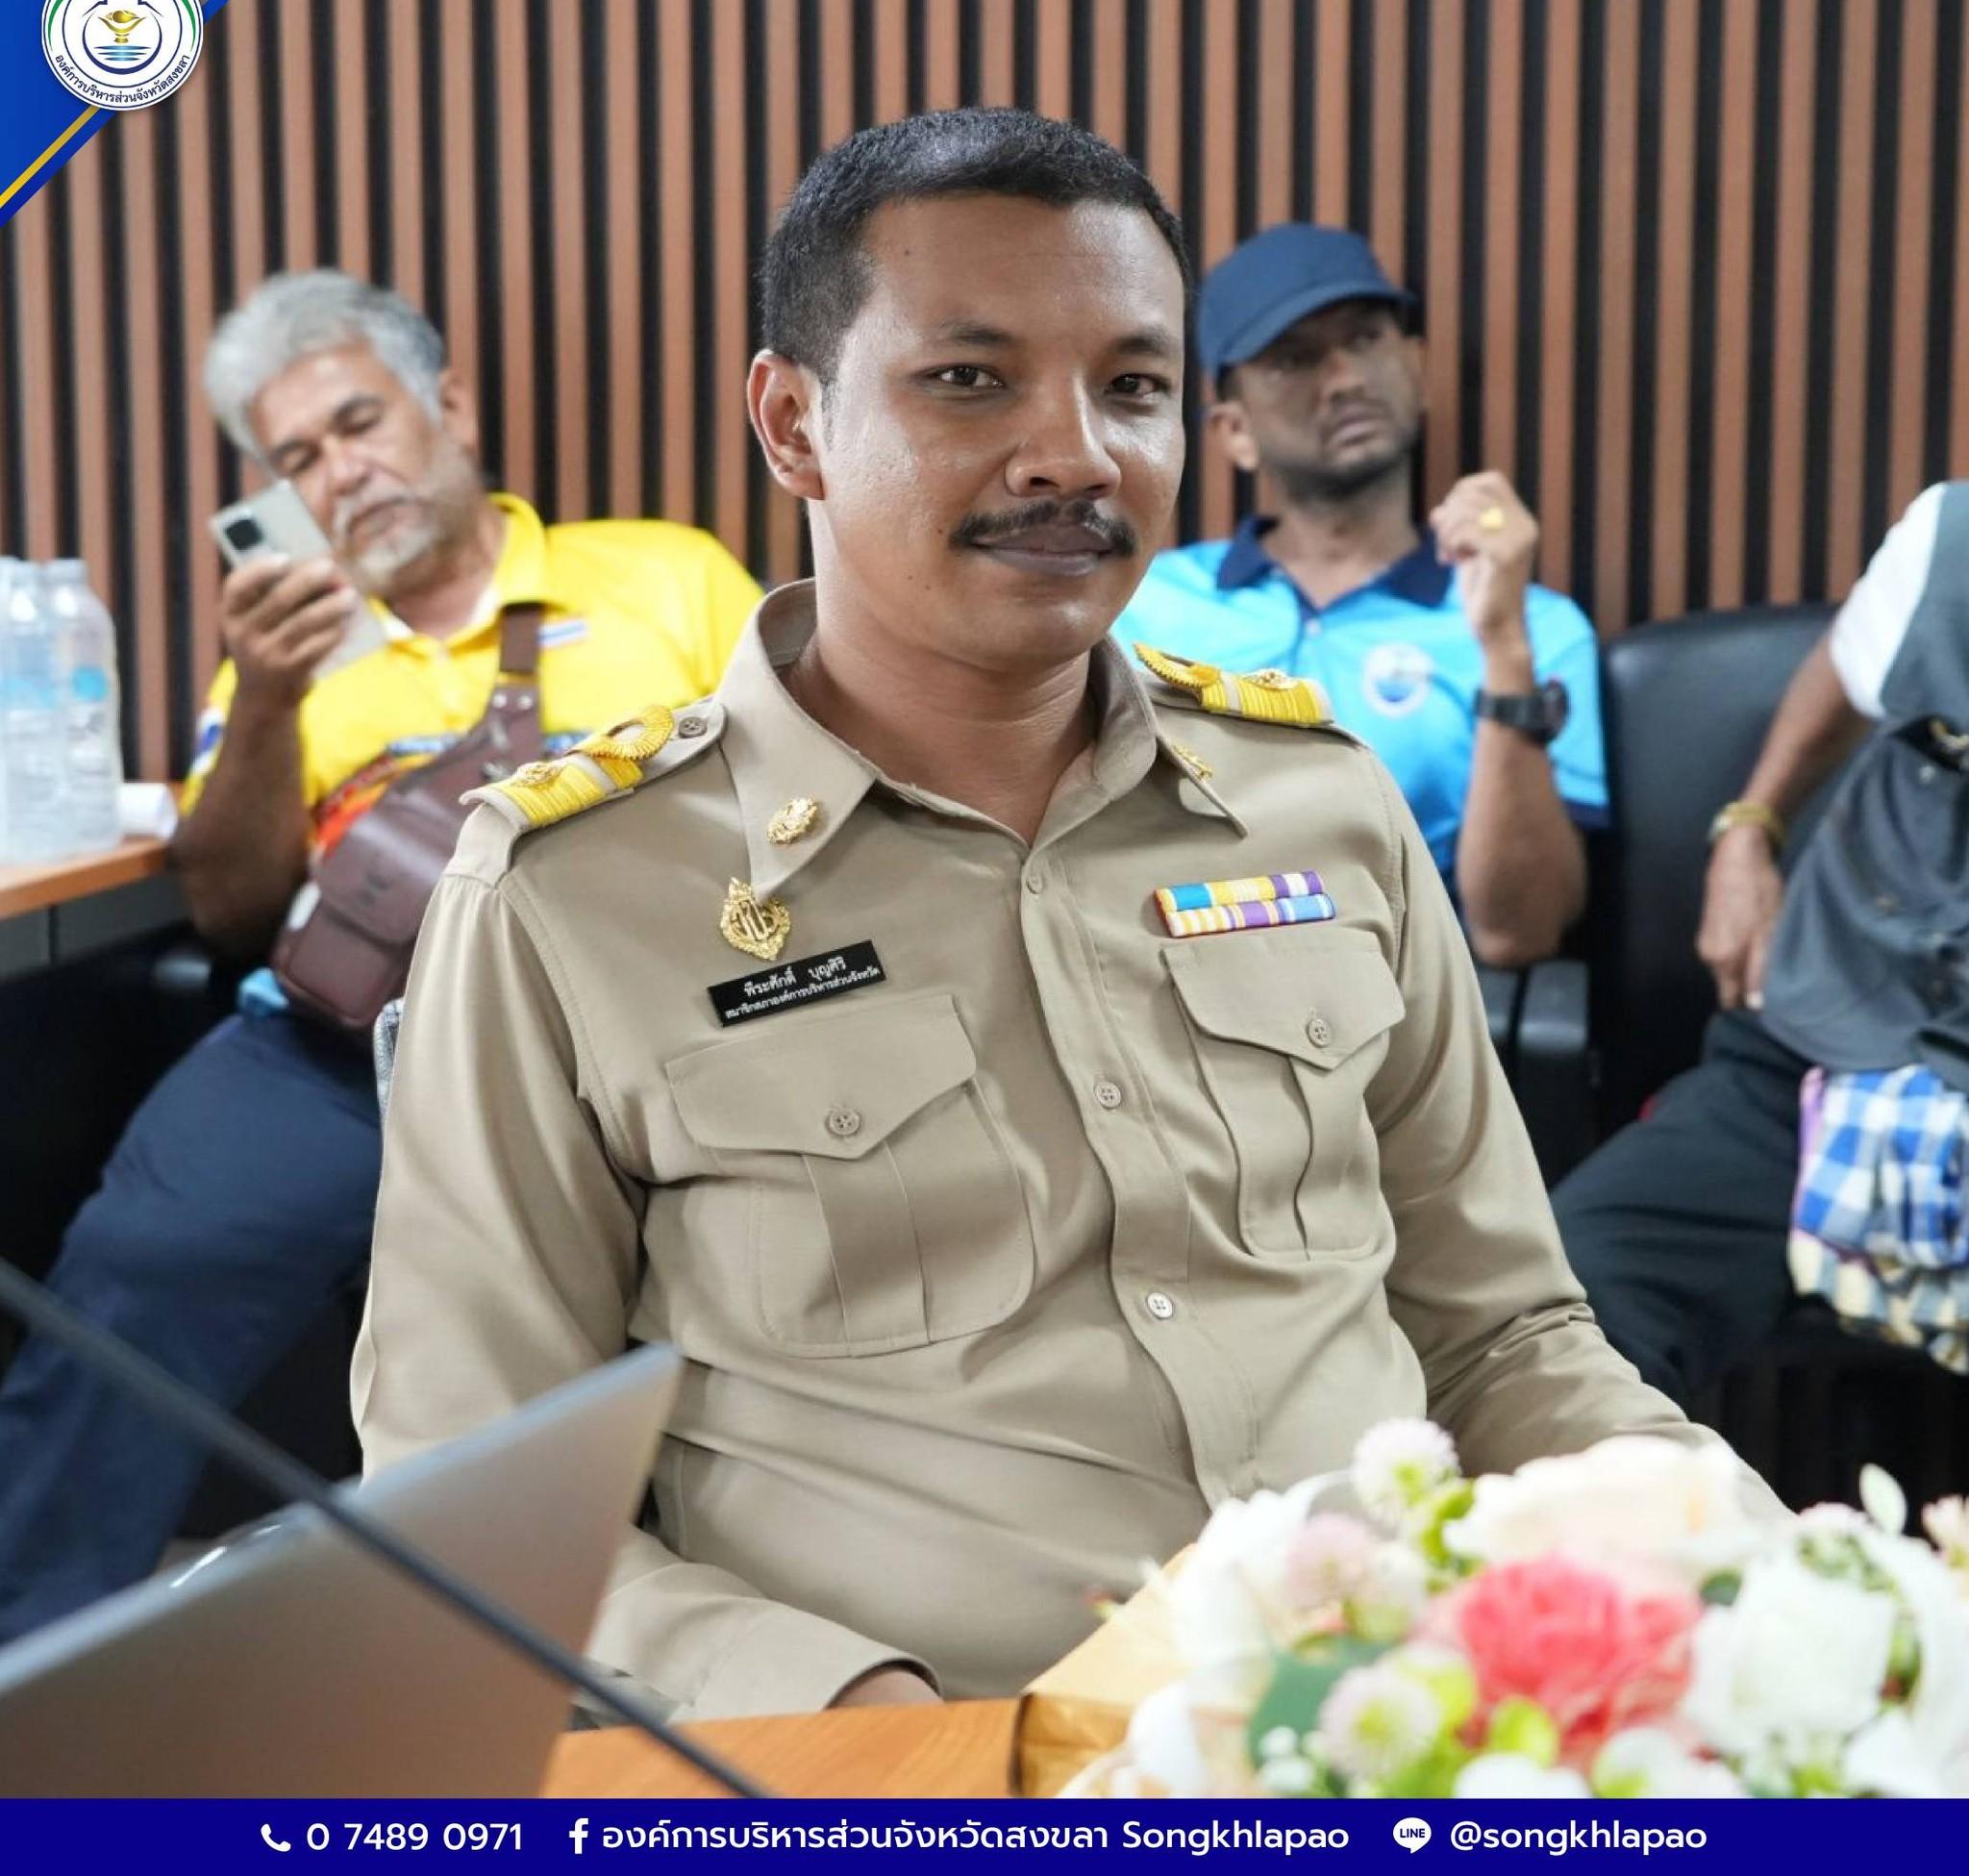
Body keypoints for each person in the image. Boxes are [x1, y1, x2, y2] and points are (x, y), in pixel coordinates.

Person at [359, 110, 1737, 1720]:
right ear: (793, 425)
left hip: (1394, 1728)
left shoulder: (1318, 803)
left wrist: (1754, 1583)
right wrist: (864, 1719)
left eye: (1132, 387)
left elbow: (1503, 1335)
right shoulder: (577, 893)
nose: (1074, 454)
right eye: (969, 378)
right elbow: (469, 1496)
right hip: (924, 1767)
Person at [0, 270, 760, 1641]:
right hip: (337, 1050)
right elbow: (231, 905)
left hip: (641, 1033)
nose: (340, 471)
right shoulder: (291, 652)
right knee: (138, 1259)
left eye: (359, 423)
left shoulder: (664, 574)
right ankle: (29, 1644)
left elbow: (793, 791)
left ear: (448, 407)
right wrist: (267, 698)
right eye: (297, 458)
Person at [1555, 482, 1969, 1402]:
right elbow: (1847, 661)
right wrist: (1751, 827)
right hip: (1813, 1051)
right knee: (1564, 1311)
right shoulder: (1947, 538)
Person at [1111, 226, 1605, 967]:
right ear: (1234, 431)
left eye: (1366, 339)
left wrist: (1504, 650)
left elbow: (1517, 933)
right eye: (1294, 358)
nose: (1343, 379)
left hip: (1407, 993)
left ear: (1418, 368)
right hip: (1168, 980)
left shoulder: (1535, 627)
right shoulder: (1139, 605)